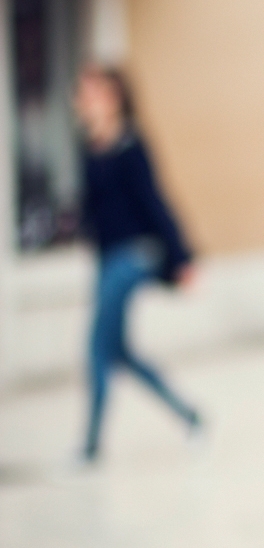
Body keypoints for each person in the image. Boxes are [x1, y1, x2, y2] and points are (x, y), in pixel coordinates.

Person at [75, 65, 201, 462]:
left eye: (92, 93)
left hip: (135, 255)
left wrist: (182, 257)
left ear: (114, 99)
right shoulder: (89, 149)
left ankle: (90, 448)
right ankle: (189, 415)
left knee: (96, 348)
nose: (83, 101)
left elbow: (154, 201)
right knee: (119, 352)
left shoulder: (131, 146)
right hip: (108, 259)